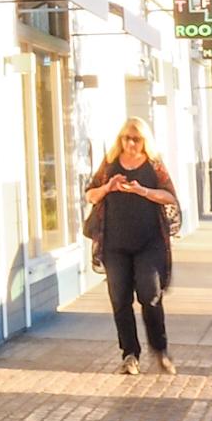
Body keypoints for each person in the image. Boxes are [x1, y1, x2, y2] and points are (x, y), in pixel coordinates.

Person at [84, 118, 179, 376]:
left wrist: (143, 191)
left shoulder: (154, 166)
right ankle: (130, 354)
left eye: (136, 139)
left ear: (145, 141)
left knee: (150, 296)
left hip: (149, 243)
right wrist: (108, 187)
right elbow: (90, 194)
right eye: (126, 138)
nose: (130, 143)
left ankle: (160, 350)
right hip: (115, 244)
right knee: (119, 299)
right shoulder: (110, 164)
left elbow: (170, 196)